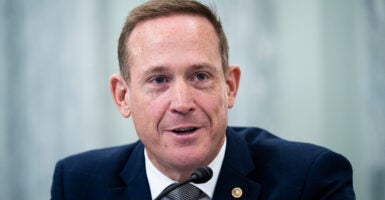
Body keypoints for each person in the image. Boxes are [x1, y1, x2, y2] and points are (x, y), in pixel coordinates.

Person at [50, 0, 355, 199]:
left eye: (200, 76)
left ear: (230, 86)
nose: (182, 103)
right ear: (123, 96)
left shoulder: (310, 180)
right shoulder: (77, 183)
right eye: (158, 80)